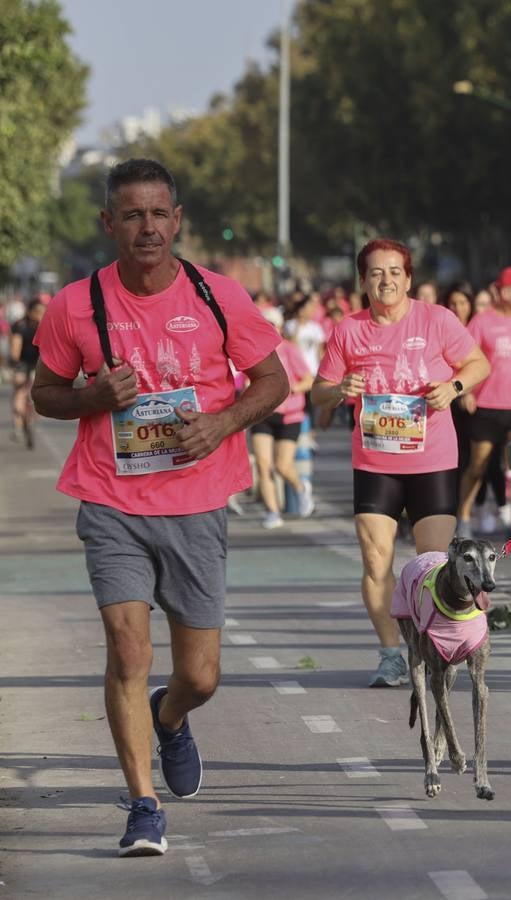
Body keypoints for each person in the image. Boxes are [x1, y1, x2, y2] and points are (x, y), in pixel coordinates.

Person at [29, 159, 289, 856]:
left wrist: (225, 422)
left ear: (177, 220)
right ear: (108, 223)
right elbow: (43, 393)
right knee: (127, 649)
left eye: (158, 214)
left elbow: (274, 380)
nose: (147, 228)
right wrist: (89, 397)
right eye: (132, 215)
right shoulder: (75, 304)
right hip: (110, 498)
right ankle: (142, 805)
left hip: (197, 502)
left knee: (200, 675)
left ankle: (170, 718)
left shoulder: (217, 294)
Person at [312, 239, 489, 687]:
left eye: (394, 271)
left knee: (433, 565)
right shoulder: (348, 330)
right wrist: (339, 391)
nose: (385, 279)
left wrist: (453, 387)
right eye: (375, 272)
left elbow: (477, 363)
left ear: (408, 278)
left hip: (431, 458)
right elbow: (318, 391)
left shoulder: (436, 320)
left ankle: (433, 647)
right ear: (363, 281)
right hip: (375, 461)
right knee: (376, 562)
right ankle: (392, 652)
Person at [457, 267, 511, 535]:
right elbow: (463, 359)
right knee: (478, 466)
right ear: (504, 292)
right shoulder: (481, 322)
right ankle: (464, 517)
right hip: (487, 405)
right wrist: (466, 391)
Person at [252, 298, 317, 529]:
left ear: (279, 327)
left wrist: (289, 389)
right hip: (263, 413)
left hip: (290, 415)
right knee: (263, 464)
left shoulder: (290, 350)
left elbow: (309, 380)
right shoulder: (253, 352)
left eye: (272, 324)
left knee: (282, 465)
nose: (268, 329)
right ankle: (272, 512)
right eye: (264, 324)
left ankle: (301, 489)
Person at [9, 297, 43, 448]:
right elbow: (16, 351)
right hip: (28, 364)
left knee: (20, 393)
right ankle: (25, 422)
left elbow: (14, 351)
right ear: (30, 312)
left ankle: (20, 425)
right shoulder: (22, 325)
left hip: (32, 364)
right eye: (39, 312)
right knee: (25, 392)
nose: (41, 314)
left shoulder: (19, 324)